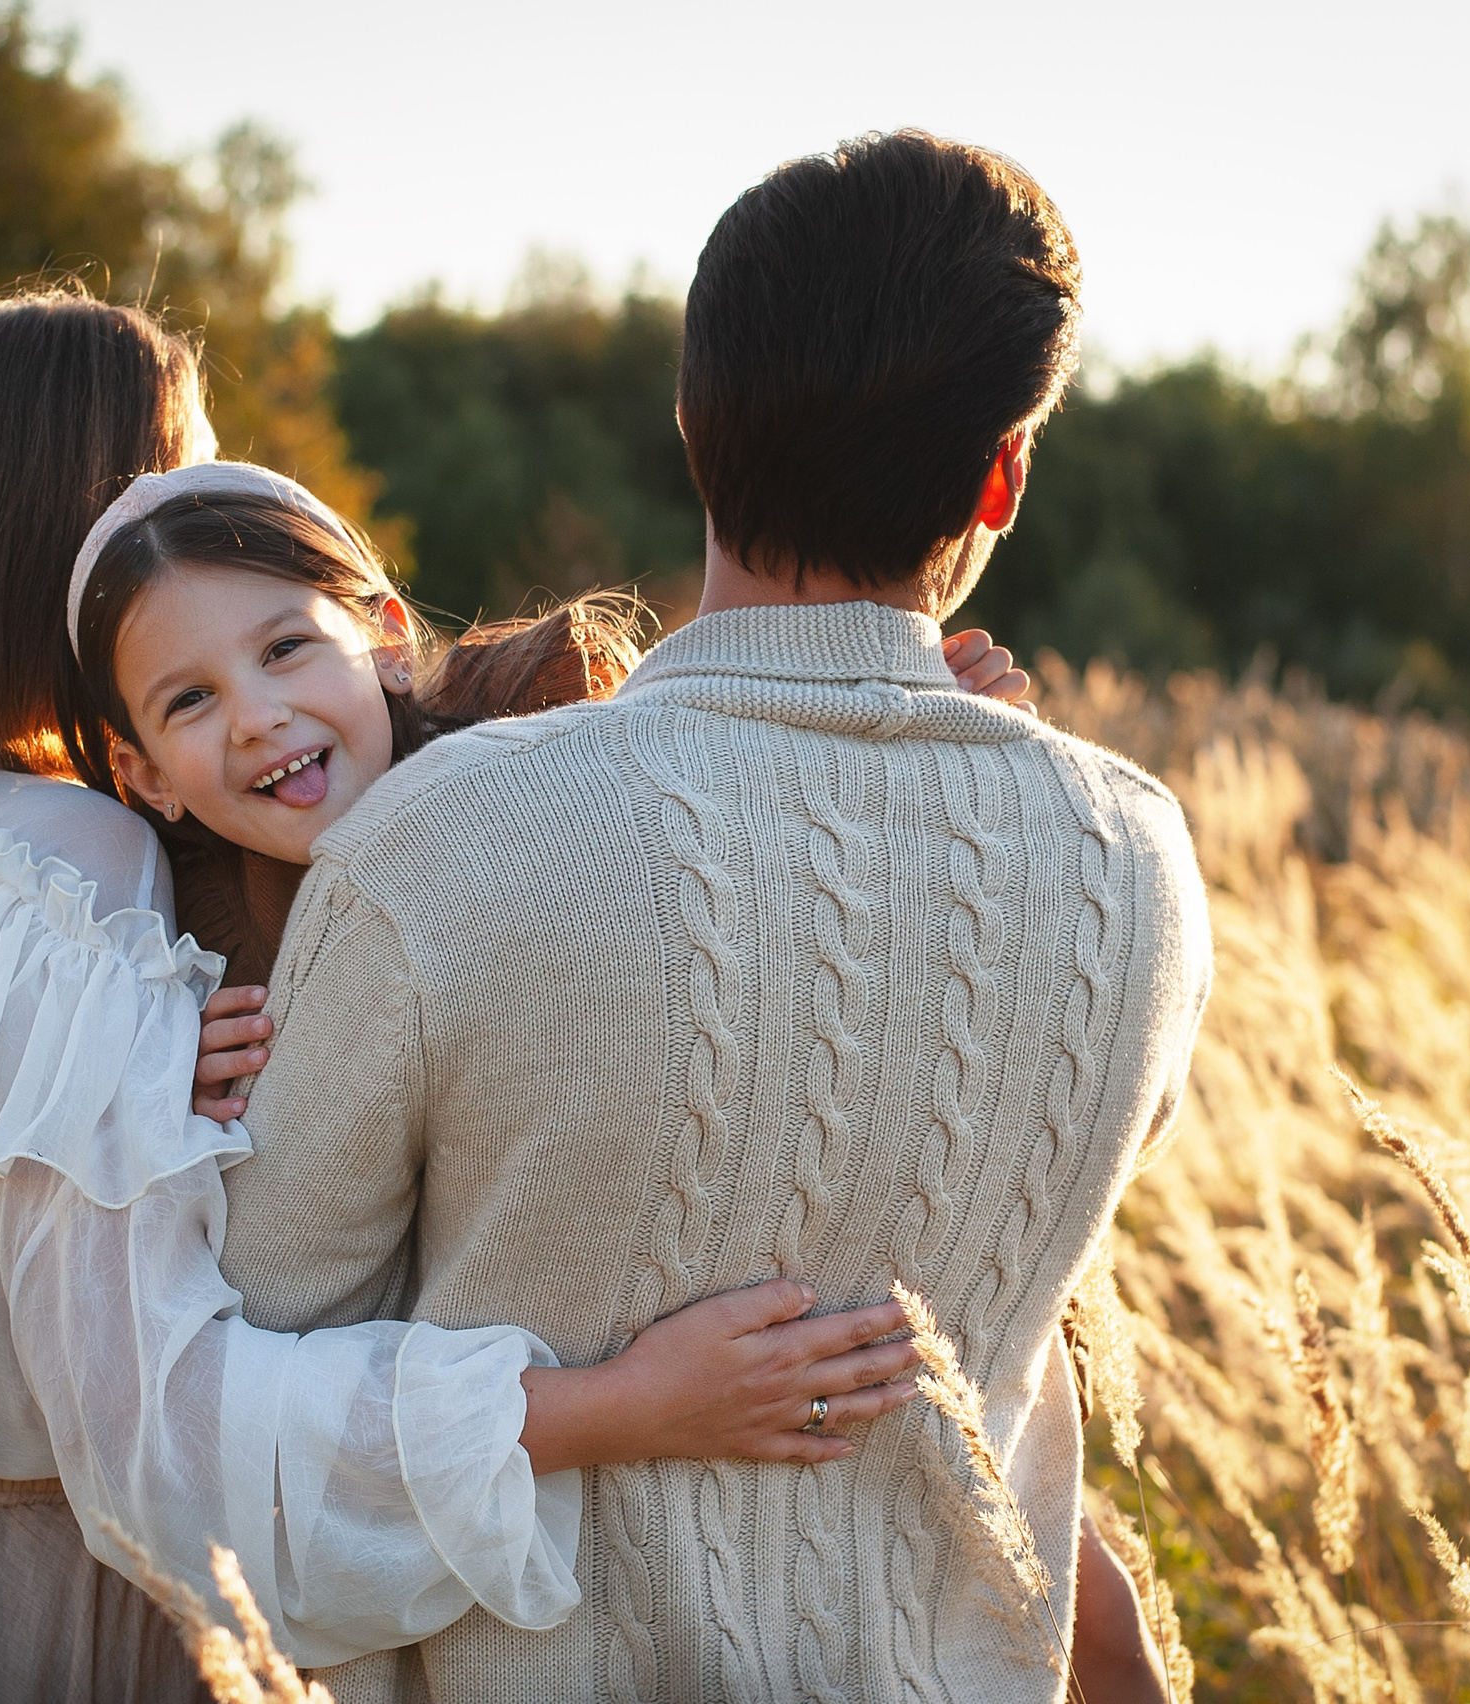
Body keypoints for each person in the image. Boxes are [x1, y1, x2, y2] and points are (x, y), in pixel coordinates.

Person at [0, 286, 928, 1704]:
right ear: (61, 543)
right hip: (37, 1621)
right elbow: (163, 1435)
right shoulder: (80, 866)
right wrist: (615, 1411)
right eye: (175, 473)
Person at [211, 130, 1215, 1702]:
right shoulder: (1138, 859)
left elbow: (251, 1359)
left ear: (693, 428)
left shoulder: (447, 840)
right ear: (1002, 476)